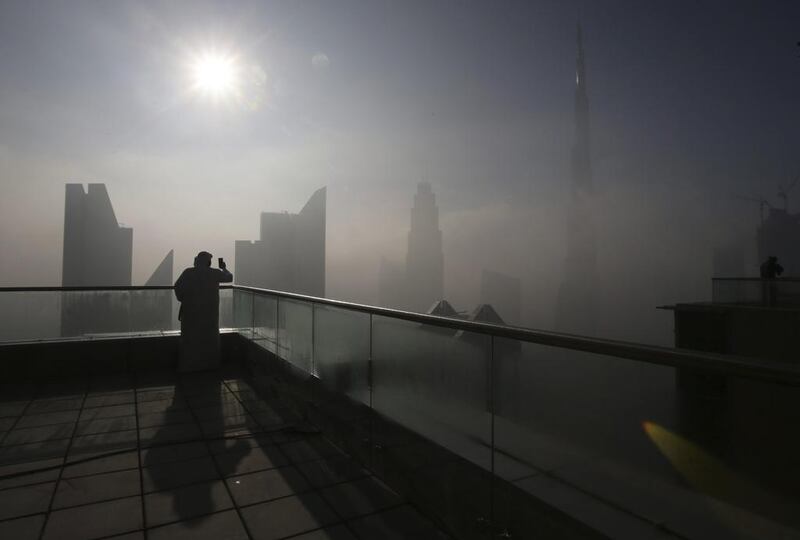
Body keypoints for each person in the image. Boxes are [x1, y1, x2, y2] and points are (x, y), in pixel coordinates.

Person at [174, 251, 233, 371]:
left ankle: (189, 367)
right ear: (209, 262)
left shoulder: (188, 272)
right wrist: (224, 268)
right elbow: (229, 277)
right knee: (208, 342)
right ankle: (209, 366)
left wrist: (183, 299)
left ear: (198, 261)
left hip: (190, 314)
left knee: (190, 342)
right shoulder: (214, 273)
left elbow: (177, 287)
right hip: (209, 316)